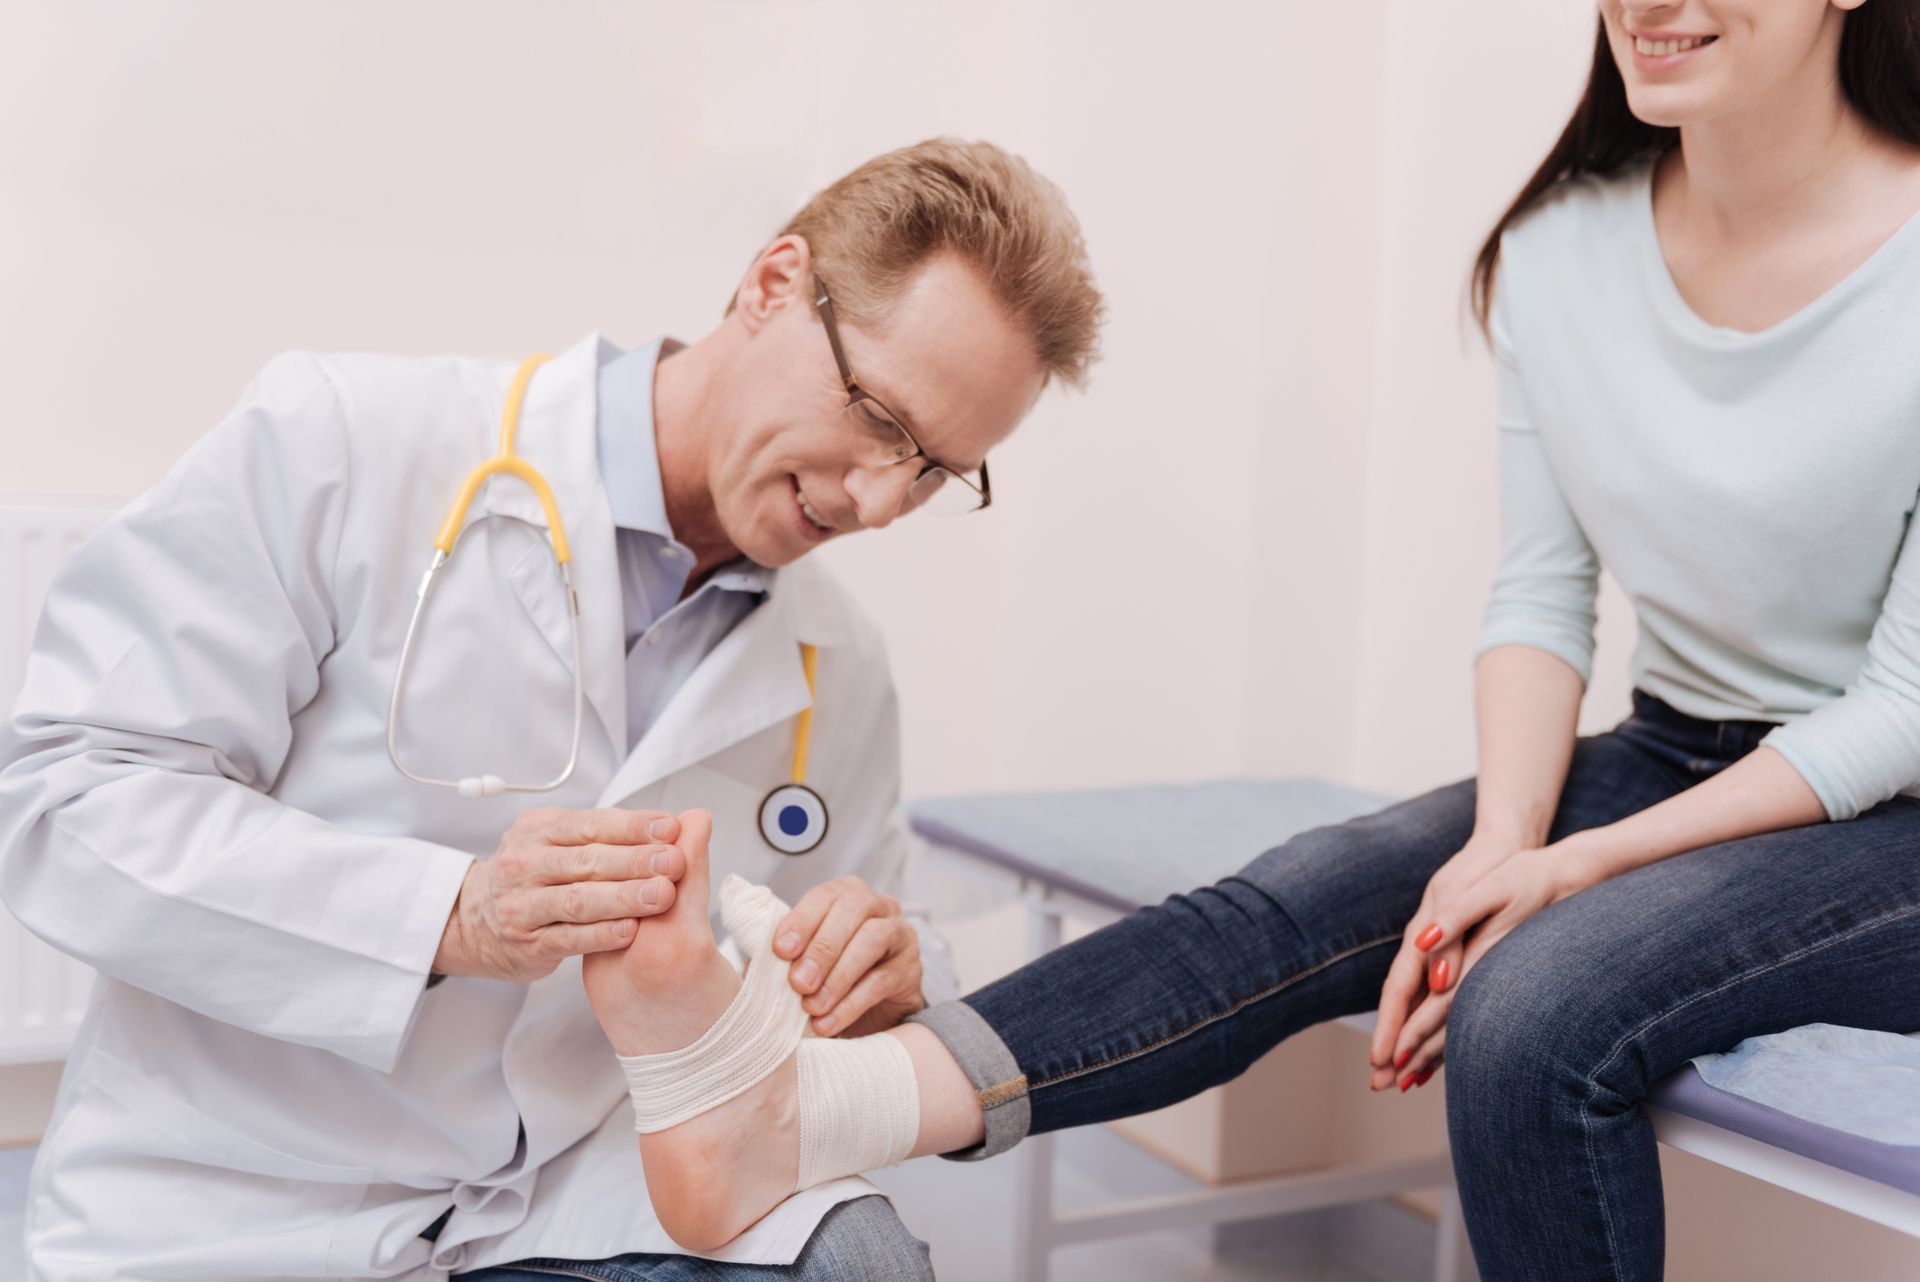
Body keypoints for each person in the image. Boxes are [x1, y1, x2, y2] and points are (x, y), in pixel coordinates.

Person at [580, 4, 1920, 1277]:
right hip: (1676, 747)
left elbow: (1902, 704)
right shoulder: (1563, 253)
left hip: (1894, 813)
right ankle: (807, 1112)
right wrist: (1504, 846)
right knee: (1296, 892)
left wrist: (1577, 869)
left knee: (1530, 1008)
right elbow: (1538, 594)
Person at [0, 137, 1103, 1280]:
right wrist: (453, 915)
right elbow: (66, 797)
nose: (881, 498)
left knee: (861, 1258)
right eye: (879, 415)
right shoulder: (347, 442)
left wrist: (888, 970)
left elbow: (871, 918)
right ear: (774, 285)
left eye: (935, 470)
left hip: (578, 1185)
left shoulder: (843, 662)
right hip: (244, 1192)